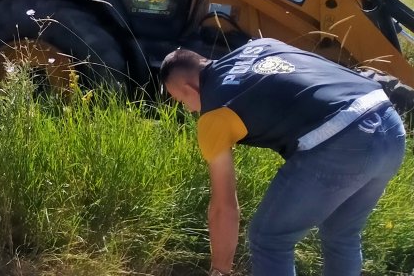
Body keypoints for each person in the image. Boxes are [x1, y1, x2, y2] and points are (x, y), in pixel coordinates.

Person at [161, 38, 406, 276]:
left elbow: (224, 208)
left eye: (182, 101)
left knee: (268, 239)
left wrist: (219, 270)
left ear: (187, 89)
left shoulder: (214, 114)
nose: (190, 110)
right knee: (341, 233)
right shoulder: (260, 45)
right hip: (389, 124)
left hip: (343, 141)